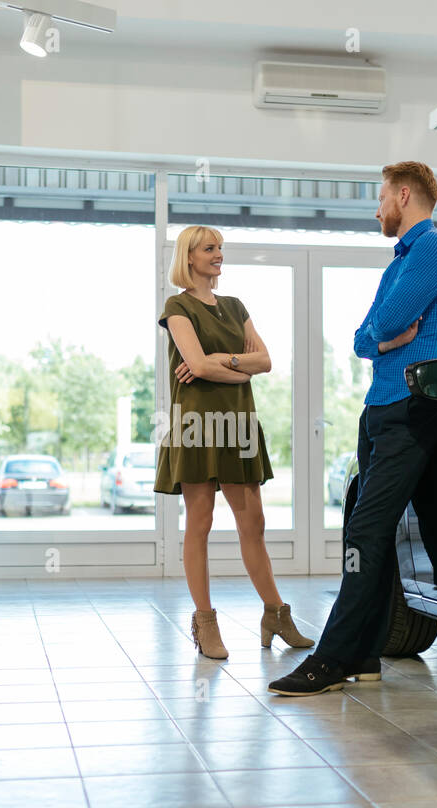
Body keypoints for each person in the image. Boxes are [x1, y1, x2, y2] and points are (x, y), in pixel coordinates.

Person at [268, 161, 437, 697]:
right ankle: (366, 655)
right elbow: (363, 339)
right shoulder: (402, 262)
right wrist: (384, 338)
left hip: (413, 406)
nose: (377, 209)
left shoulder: (435, 250)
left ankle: (332, 658)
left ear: (405, 195)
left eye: (381, 198)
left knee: (366, 532)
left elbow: (385, 324)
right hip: (382, 407)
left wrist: (385, 336)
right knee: (373, 534)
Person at [155, 225, 313, 660]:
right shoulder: (177, 306)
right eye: (210, 248)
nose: (218, 254)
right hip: (197, 427)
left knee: (254, 526)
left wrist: (225, 363)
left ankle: (275, 615)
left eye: (220, 248)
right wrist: (237, 368)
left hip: (240, 424)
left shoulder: (235, 305)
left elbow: (264, 360)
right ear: (189, 257)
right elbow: (196, 366)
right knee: (199, 526)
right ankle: (205, 622)